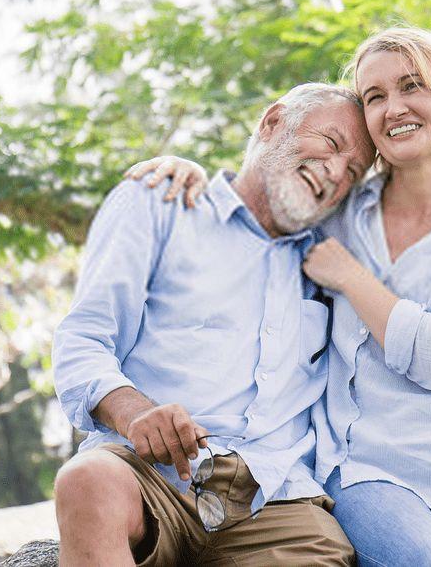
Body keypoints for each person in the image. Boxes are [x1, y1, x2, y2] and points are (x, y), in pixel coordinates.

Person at [126, 27, 431, 566]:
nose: (394, 108)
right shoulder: (337, 209)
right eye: (375, 97)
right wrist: (192, 175)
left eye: (412, 86)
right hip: (366, 470)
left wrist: (352, 278)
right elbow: (254, 213)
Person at [52, 83, 372, 567]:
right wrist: (135, 412)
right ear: (272, 123)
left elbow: (415, 321)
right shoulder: (161, 203)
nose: (335, 171)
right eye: (330, 143)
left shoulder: (335, 258)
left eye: (353, 171)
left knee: (325, 551)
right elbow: (83, 338)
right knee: (86, 481)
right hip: (148, 475)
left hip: (274, 498)